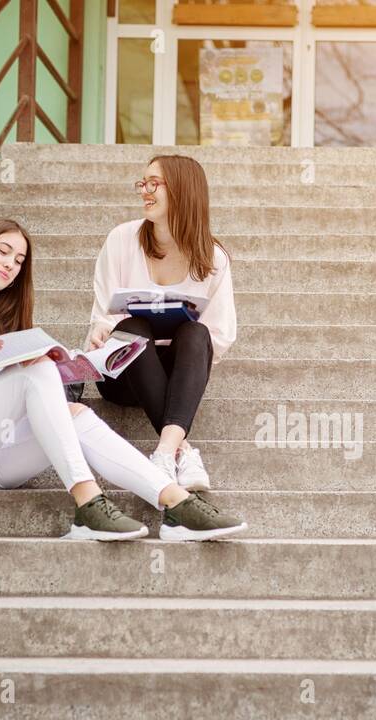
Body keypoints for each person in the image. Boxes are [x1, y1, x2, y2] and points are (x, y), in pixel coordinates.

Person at [0, 217, 247, 542]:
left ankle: (175, 503)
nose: (10, 264)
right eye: (4, 252)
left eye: (19, 260)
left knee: (77, 414)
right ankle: (88, 500)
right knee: (36, 369)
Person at [80, 154, 235, 491]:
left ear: (182, 190)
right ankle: (184, 451)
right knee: (134, 329)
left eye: (154, 184)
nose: (144, 191)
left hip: (180, 374)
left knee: (197, 332)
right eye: (143, 183)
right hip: (121, 373)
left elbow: (219, 338)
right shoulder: (121, 240)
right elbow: (105, 314)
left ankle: (166, 452)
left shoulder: (212, 259)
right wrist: (103, 328)